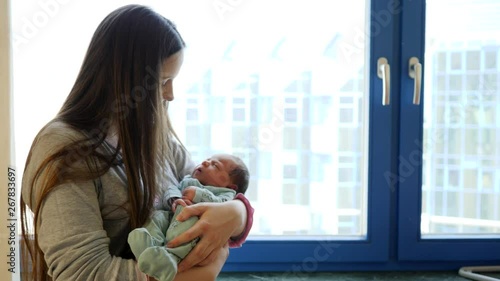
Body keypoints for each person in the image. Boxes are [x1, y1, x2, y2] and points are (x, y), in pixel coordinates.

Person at [20, 4, 254, 281]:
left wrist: (238, 212)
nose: (170, 95)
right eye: (163, 81)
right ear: (125, 81)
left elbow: (209, 189)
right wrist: (196, 275)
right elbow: (83, 273)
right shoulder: (64, 149)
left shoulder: (155, 135)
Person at [128, 154, 250, 281]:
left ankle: (170, 257)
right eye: (207, 159)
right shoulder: (187, 178)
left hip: (193, 222)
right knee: (157, 217)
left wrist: (199, 194)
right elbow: (173, 188)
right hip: (172, 216)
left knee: (185, 234)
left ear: (231, 186)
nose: (206, 162)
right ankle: (150, 244)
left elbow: (221, 205)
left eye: (215, 165)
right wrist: (174, 198)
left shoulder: (226, 193)